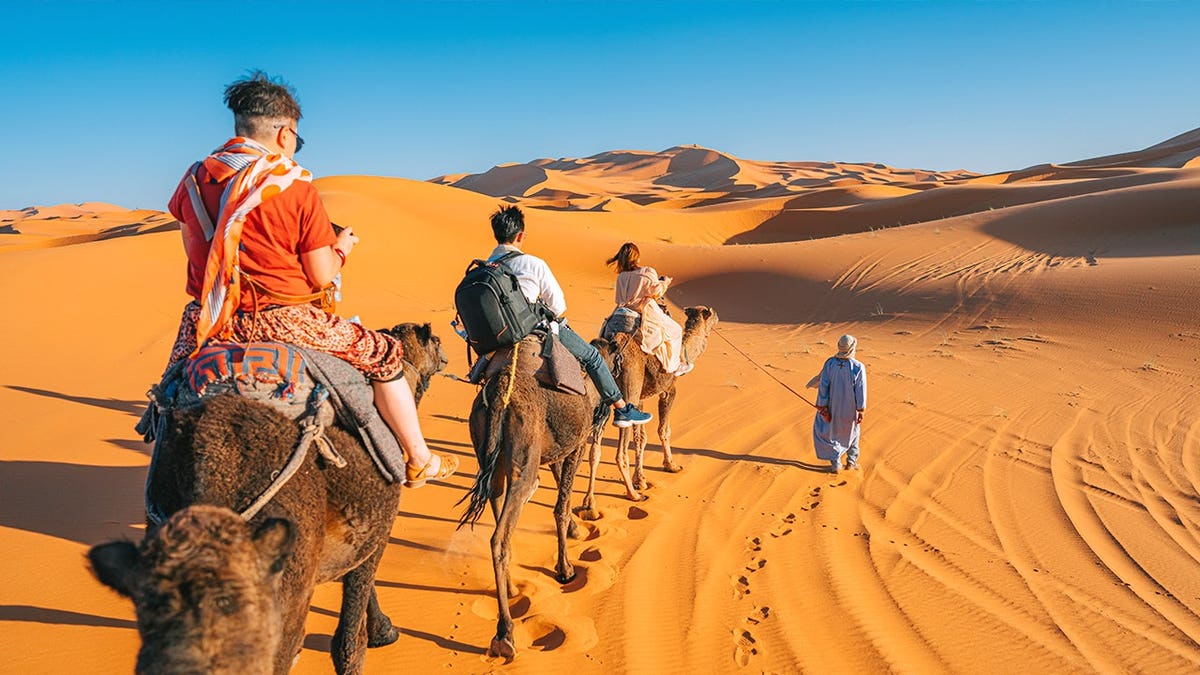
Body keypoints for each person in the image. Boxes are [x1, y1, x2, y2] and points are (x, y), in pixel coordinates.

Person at [164, 71, 456, 488]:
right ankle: (419, 458)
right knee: (387, 355)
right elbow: (322, 274)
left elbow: (198, 257)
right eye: (296, 140)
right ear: (284, 134)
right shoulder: (292, 187)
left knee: (171, 389)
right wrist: (341, 249)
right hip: (285, 319)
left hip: (210, 321)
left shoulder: (194, 182)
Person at [485, 205, 652, 428]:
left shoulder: (486, 267)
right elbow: (558, 306)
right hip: (535, 330)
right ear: (520, 235)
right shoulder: (533, 264)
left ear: (496, 234)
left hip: (495, 337)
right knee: (593, 357)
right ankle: (622, 410)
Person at [604, 242, 691, 376]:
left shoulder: (621, 277)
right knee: (676, 331)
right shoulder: (647, 272)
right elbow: (656, 292)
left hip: (619, 312)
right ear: (636, 257)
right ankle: (674, 367)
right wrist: (665, 282)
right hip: (643, 312)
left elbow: (619, 299)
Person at [812, 335, 867, 473]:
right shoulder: (858, 367)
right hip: (850, 408)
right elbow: (861, 390)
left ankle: (835, 463)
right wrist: (861, 409)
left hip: (831, 406)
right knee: (853, 432)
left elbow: (823, 385)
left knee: (831, 432)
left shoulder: (830, 363)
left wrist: (822, 406)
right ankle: (851, 462)